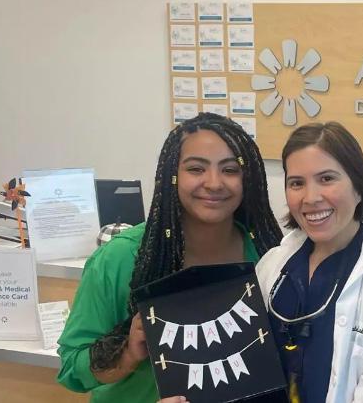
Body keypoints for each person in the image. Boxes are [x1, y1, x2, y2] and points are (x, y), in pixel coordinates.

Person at [56, 112, 283, 403]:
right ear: (171, 176)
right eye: (196, 169)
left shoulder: (267, 253)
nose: (214, 183)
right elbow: (71, 368)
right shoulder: (120, 258)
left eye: (230, 170)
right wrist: (127, 353)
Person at [259, 122, 363, 403]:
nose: (310, 198)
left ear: (358, 188)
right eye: (297, 183)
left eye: (326, 179)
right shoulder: (273, 264)